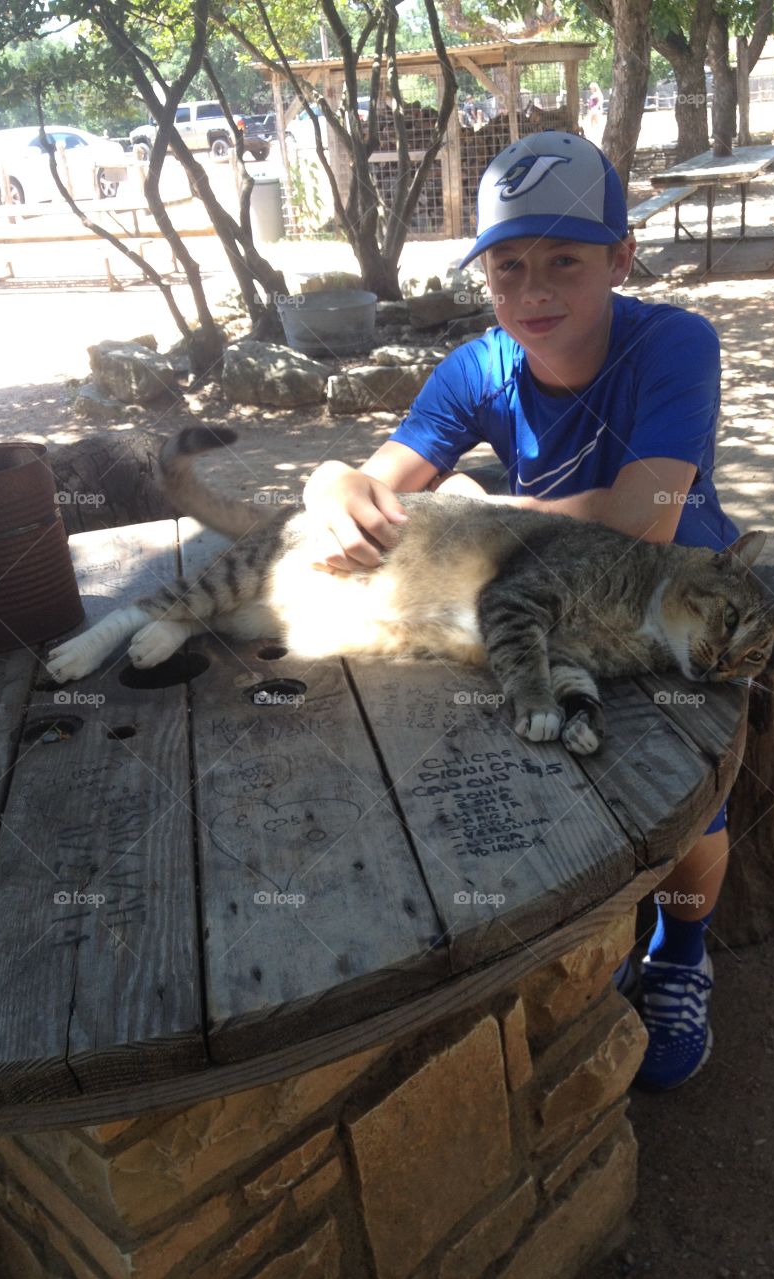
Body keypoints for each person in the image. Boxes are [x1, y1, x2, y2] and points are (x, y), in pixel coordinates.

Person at [302, 130, 740, 1091]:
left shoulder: (674, 342)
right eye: (508, 267)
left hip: (677, 613)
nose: (533, 291)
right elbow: (381, 489)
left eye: (564, 262)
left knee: (689, 809)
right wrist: (333, 482)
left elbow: (641, 521)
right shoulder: (476, 367)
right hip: (548, 603)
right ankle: (580, 943)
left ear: (621, 259)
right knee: (512, 772)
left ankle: (681, 944)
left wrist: (462, 518)